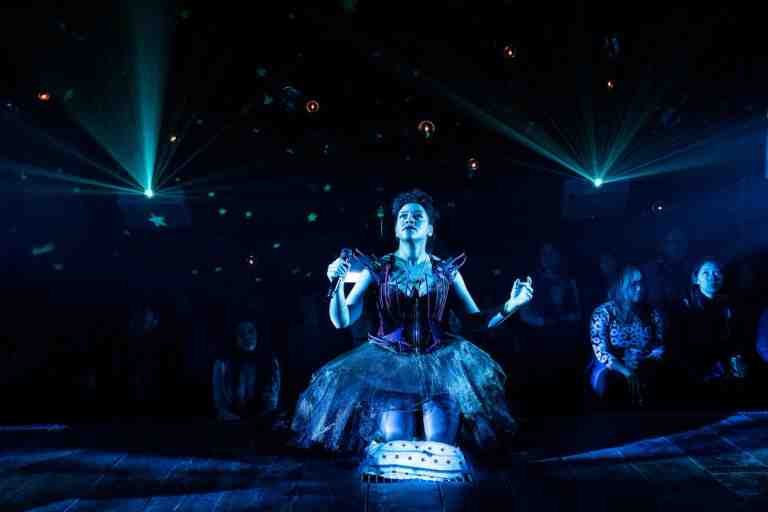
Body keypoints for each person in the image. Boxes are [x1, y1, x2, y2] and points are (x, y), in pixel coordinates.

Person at [291, 189, 533, 459]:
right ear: (395, 228)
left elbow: (475, 321)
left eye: (417, 215)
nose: (409, 219)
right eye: (403, 216)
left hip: (440, 365)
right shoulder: (377, 269)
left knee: (439, 446)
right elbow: (341, 321)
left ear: (430, 229)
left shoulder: (446, 271)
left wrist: (511, 305)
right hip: (391, 364)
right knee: (396, 444)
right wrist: (335, 284)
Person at [588, 266, 665, 409]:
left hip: (643, 362)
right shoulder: (603, 313)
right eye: (633, 284)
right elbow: (601, 351)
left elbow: (659, 346)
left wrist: (644, 360)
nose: (639, 288)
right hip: (610, 366)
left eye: (641, 283)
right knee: (612, 384)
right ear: (620, 285)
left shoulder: (652, 313)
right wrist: (626, 370)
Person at [679, 259, 748, 407]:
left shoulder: (729, 305)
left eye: (717, 273)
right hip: (697, 366)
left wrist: (736, 357)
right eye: (706, 273)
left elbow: (733, 339)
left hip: (722, 364)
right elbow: (687, 344)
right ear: (696, 279)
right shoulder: (687, 306)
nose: (712, 277)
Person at [212, 320, 281, 422]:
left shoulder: (270, 361)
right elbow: (220, 403)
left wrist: (262, 420)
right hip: (231, 422)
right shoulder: (222, 364)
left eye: (250, 331)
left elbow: (272, 400)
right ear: (235, 336)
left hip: (261, 422)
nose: (247, 337)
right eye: (241, 333)